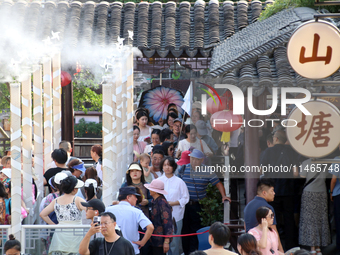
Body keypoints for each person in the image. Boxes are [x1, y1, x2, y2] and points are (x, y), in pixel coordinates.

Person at [180, 149, 231, 255]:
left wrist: (224, 196)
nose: (193, 161)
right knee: (184, 230)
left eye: (196, 159)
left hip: (198, 205)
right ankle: (186, 252)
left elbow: (218, 184)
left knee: (195, 230)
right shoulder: (184, 168)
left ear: (201, 160)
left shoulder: (207, 170)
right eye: (192, 158)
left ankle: (193, 252)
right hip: (184, 205)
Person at [260, 130, 299, 250]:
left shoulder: (268, 151)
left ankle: (274, 247)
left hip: (272, 191)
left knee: (272, 219)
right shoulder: (292, 151)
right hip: (288, 189)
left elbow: (261, 171)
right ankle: (291, 247)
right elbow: (296, 173)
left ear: (275, 139)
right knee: (289, 219)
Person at [40, 175, 86, 255]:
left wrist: (54, 225)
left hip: (60, 233)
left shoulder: (56, 200)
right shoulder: (77, 200)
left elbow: (43, 214)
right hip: (76, 234)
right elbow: (89, 209)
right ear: (74, 189)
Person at [105, 186, 154, 255]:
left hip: (111, 249)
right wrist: (142, 242)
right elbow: (150, 227)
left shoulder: (108, 209)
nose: (136, 199)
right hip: (131, 250)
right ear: (128, 197)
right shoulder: (136, 211)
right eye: (135, 196)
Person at [299, 158, 330, 254]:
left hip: (309, 193)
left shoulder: (306, 162)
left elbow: (302, 176)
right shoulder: (325, 162)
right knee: (320, 219)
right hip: (322, 192)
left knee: (310, 221)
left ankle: (312, 248)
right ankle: (318, 248)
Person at [158, 157, 189, 255]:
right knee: (161, 241)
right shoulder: (158, 181)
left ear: (173, 167)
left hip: (176, 215)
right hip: (160, 216)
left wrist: (173, 203)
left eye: (169, 165)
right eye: (165, 165)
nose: (167, 167)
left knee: (174, 242)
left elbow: (186, 198)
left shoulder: (179, 182)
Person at [243, 178, 282, 253]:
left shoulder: (248, 206)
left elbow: (245, 226)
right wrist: (280, 250)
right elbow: (274, 229)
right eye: (272, 191)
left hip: (250, 247)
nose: (274, 193)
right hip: (264, 249)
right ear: (264, 193)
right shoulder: (268, 208)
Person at [144, 179, 173, 255]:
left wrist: (166, 241)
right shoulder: (155, 201)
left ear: (155, 191)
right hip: (153, 239)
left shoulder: (162, 203)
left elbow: (168, 223)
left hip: (160, 240)